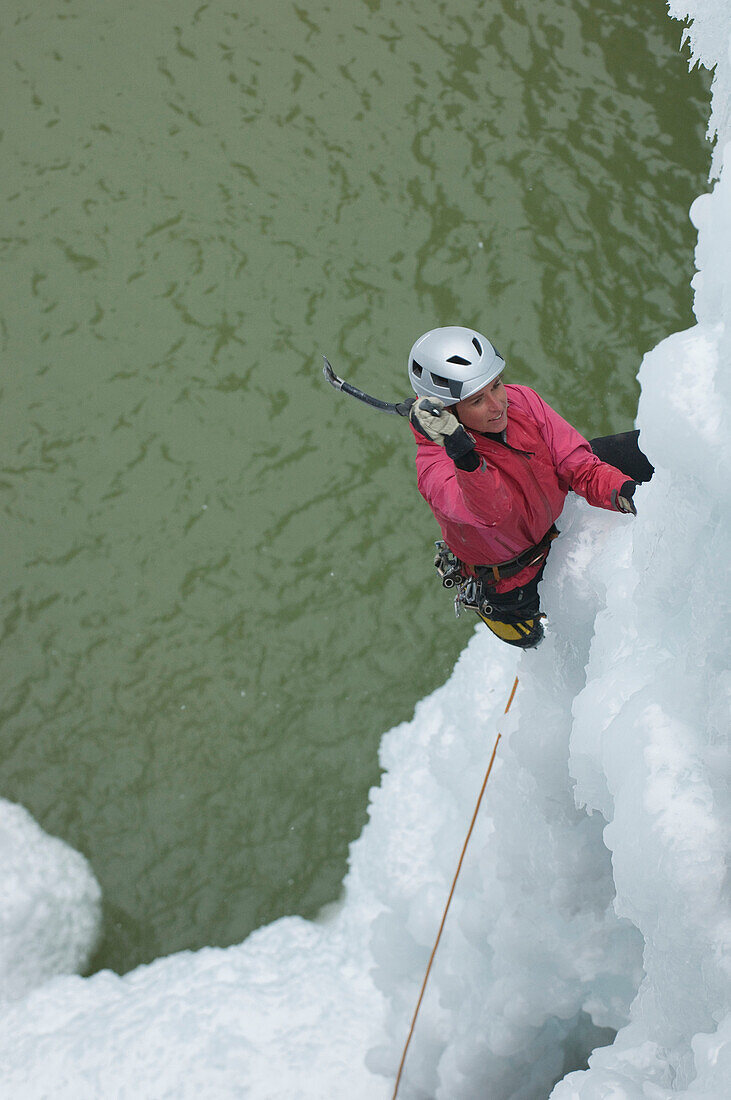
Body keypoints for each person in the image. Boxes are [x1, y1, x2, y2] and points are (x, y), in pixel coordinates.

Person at [407, 326, 653, 648]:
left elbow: (578, 467)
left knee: (641, 448)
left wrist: (626, 494)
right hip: (514, 577)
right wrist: (465, 457)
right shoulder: (435, 467)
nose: (498, 406)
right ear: (450, 411)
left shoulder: (521, 401)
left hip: (552, 512)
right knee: (533, 638)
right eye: (478, 400)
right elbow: (493, 512)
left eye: (496, 385)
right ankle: (506, 617)